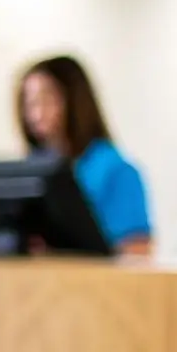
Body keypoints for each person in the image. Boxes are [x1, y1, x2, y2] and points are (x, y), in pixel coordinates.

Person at [17, 55, 153, 255]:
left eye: (46, 100)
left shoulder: (115, 170)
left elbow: (137, 253)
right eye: (29, 104)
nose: (35, 115)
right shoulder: (31, 172)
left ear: (74, 100)